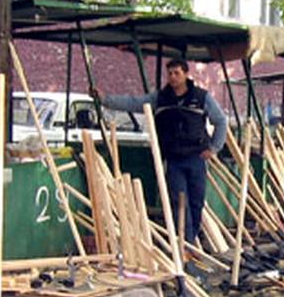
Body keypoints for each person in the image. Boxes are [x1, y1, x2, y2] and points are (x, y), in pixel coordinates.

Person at [96, 58, 227, 247]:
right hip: (174, 159)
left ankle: (192, 239)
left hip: (196, 157)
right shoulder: (160, 98)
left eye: (177, 73)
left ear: (186, 74)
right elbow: (133, 103)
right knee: (178, 202)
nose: (173, 77)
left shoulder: (201, 97)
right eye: (170, 73)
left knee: (197, 202)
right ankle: (186, 244)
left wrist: (214, 148)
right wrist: (105, 99)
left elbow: (220, 121)